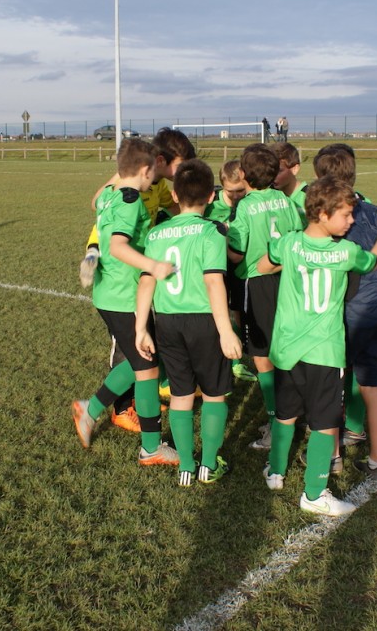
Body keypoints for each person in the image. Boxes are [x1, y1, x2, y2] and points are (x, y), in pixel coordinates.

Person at [258, 175, 377, 516]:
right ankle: (315, 494)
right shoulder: (347, 252)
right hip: (324, 350)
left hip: (287, 348)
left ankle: (275, 472)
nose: (351, 221)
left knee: (286, 413)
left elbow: (264, 265)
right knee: (324, 423)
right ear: (322, 214)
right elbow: (372, 262)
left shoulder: (289, 244)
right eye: (346, 215)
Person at [79, 128, 197, 432]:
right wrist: (154, 265)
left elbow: (166, 211)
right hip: (122, 287)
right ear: (154, 164)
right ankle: (122, 415)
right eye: (179, 165)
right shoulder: (126, 194)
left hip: (128, 284)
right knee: (141, 359)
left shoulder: (147, 188)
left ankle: (96, 410)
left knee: (144, 358)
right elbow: (110, 226)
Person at [135, 159, 244, 487]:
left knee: (181, 394)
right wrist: (226, 331)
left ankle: (185, 462)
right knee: (213, 395)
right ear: (212, 196)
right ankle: (208, 464)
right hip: (205, 322)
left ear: (174, 194)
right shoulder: (212, 232)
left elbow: (146, 282)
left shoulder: (157, 233)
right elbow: (214, 283)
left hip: (167, 322)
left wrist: (141, 327)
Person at [313, 144, 377, 481]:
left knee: (334, 383)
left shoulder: (335, 220)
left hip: (345, 312)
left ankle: (333, 457)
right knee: (371, 385)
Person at [227, 144, 303, 449]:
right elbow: (298, 238)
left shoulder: (244, 206)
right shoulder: (287, 202)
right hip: (285, 281)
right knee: (283, 350)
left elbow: (235, 255)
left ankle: (277, 424)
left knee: (262, 357)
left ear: (243, 175)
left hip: (254, 284)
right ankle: (292, 414)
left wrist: (222, 238)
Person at [204, 160, 257, 383]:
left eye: (241, 191)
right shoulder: (211, 204)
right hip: (213, 268)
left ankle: (237, 358)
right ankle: (226, 361)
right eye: (231, 191)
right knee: (216, 311)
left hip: (239, 266)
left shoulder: (250, 203)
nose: (236, 196)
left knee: (237, 311)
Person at [269, 142, 308, 224]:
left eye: (279, 171)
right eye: (270, 171)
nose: (273, 176)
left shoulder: (309, 196)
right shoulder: (268, 195)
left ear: (295, 169)